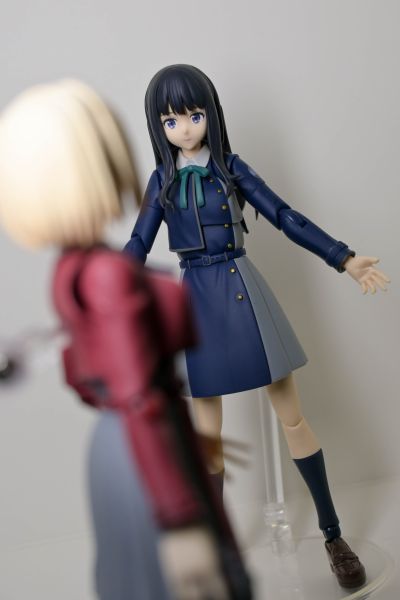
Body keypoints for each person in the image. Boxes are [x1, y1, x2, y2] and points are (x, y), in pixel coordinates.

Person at [124, 64, 390, 589]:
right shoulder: (162, 181)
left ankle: (333, 534)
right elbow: (137, 243)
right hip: (196, 302)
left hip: (242, 286)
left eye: (193, 115)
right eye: (171, 120)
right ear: (158, 126)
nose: (184, 127)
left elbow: (284, 215)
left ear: (211, 114)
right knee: (207, 436)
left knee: (292, 417)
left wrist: (342, 257)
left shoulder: (230, 168)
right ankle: (217, 547)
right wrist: (101, 292)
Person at [0, 80, 252, 600]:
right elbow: (138, 395)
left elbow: (88, 374)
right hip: (146, 445)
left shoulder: (71, 269)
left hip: (123, 442)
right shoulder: (105, 276)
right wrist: (180, 517)